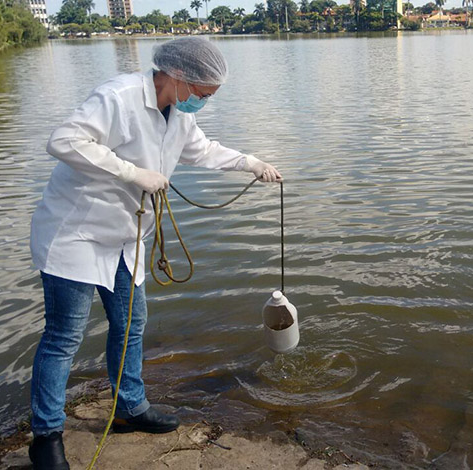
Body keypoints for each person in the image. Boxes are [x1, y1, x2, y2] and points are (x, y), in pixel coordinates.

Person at [28, 37, 282, 470]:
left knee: (130, 325)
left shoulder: (178, 114)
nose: (203, 103)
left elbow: (202, 149)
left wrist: (251, 163)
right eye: (202, 95)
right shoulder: (119, 96)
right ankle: (46, 436)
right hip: (76, 233)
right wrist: (133, 172)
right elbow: (64, 141)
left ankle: (130, 407)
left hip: (127, 236)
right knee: (64, 337)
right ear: (180, 78)